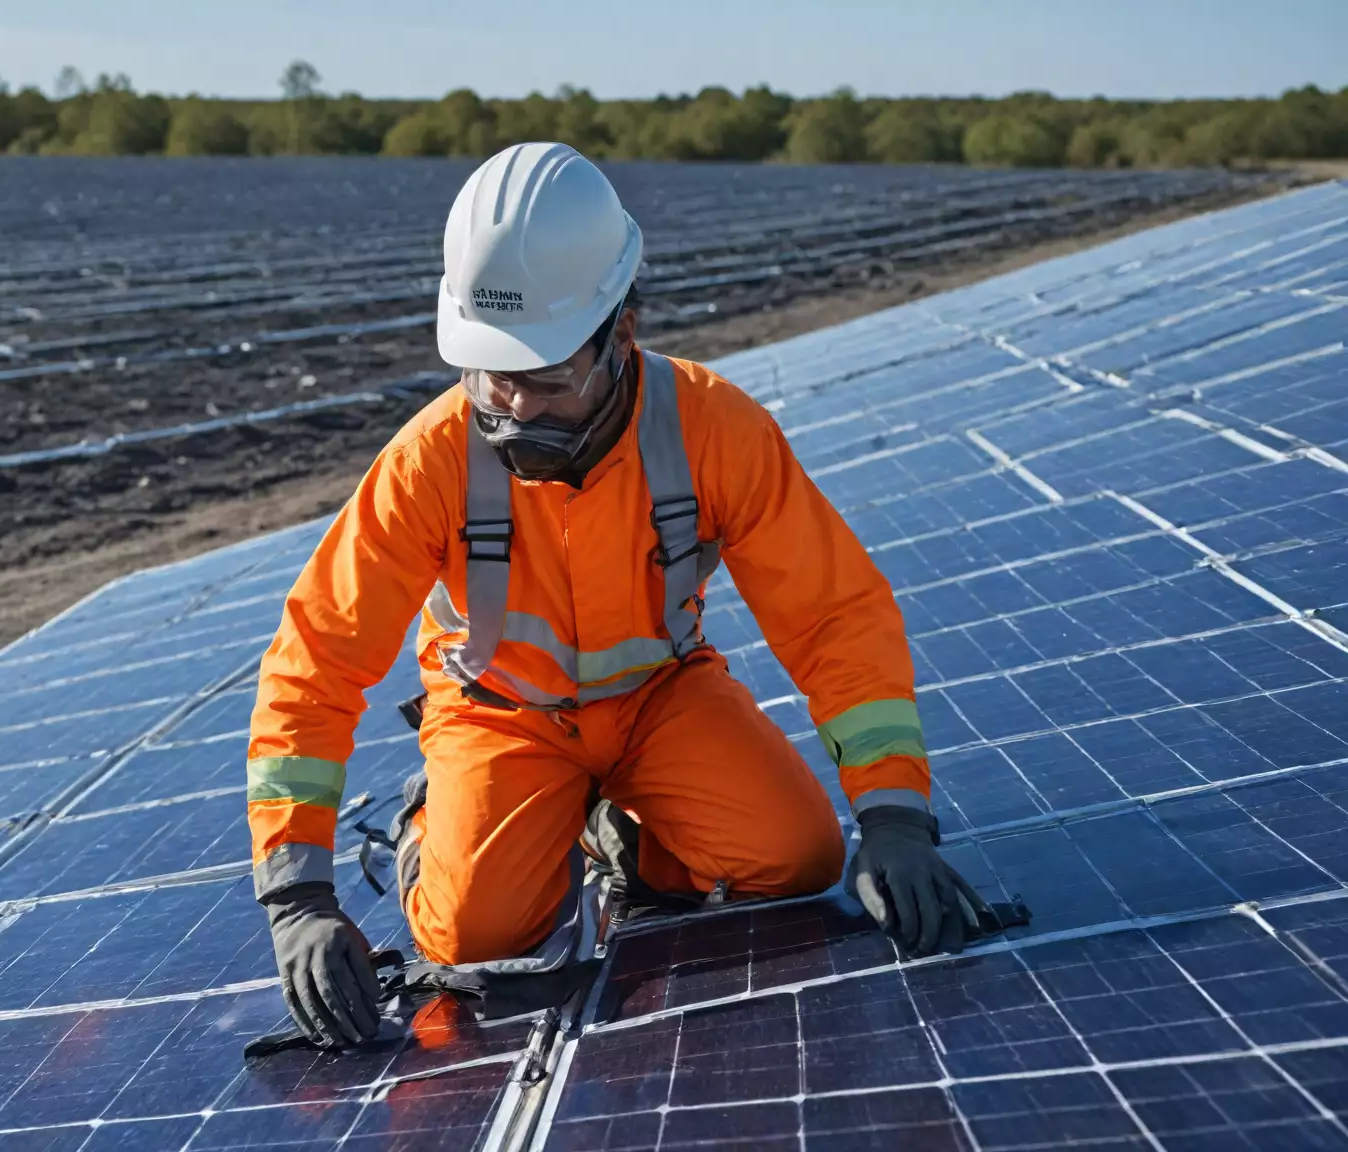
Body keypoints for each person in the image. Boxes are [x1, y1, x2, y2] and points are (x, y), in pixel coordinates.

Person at [245, 141, 986, 1050]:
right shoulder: (426, 464)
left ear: (619, 333)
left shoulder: (715, 428)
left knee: (801, 856)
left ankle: (615, 833)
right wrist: (298, 897)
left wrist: (896, 815)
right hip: (501, 714)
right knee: (475, 935)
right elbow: (316, 660)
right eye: (490, 376)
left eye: (545, 379)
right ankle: (424, 824)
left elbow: (834, 615)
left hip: (661, 701)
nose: (512, 407)